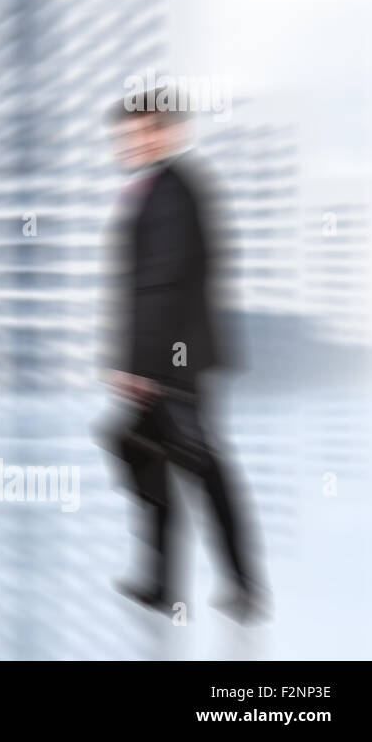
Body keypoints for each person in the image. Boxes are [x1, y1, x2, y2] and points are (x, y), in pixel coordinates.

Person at [101, 86, 266, 623]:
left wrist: (143, 366)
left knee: (200, 466)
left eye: (143, 133)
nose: (130, 143)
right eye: (126, 134)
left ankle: (240, 586)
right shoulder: (161, 188)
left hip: (173, 359)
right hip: (169, 355)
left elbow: (165, 282)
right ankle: (164, 582)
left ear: (171, 132)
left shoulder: (174, 190)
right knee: (151, 458)